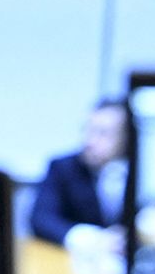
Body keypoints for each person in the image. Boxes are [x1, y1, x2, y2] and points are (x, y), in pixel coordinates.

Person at [29, 99, 130, 248]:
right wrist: (92, 238)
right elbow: (41, 219)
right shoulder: (62, 167)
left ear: (125, 137)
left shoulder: (142, 170)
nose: (89, 141)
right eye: (87, 130)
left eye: (102, 133)